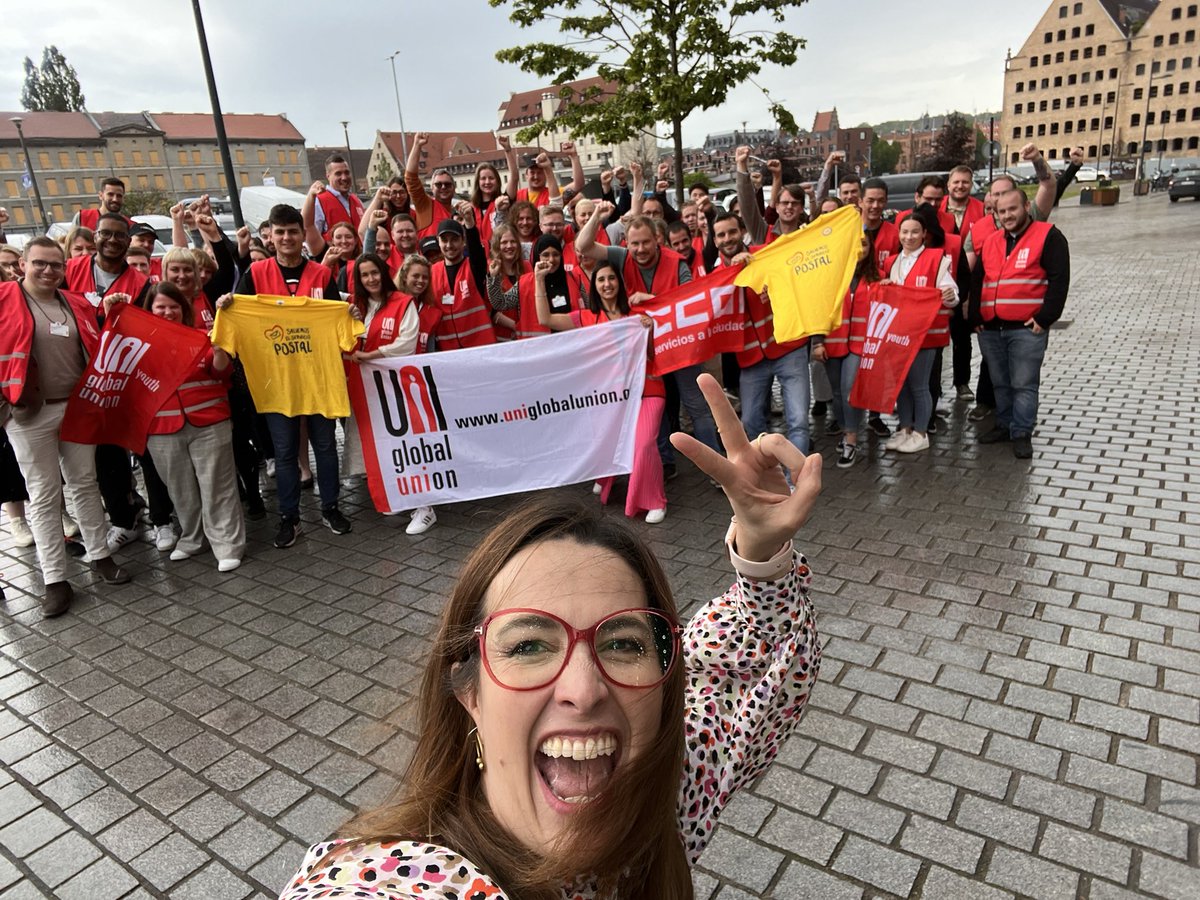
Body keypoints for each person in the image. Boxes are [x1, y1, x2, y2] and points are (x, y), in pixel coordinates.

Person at [278, 375, 822, 900]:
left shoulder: (668, 796)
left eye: (623, 644)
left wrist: (761, 552)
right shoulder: (396, 878)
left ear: (662, 687)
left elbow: (748, 666)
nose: (582, 691)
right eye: (529, 645)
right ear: (469, 692)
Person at [0, 238, 131, 617]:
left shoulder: (74, 302)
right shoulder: (5, 298)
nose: (48, 271)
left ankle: (100, 556)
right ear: (23, 264)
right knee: (43, 496)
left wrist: (108, 313)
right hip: (28, 414)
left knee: (84, 484)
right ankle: (55, 581)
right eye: (40, 263)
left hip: (77, 407)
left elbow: (96, 342)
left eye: (56, 265)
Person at [224, 204, 355, 548]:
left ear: (302, 235)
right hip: (276, 381)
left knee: (325, 447)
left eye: (292, 231)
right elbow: (239, 317)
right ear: (271, 236)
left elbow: (336, 318)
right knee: (284, 454)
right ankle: (290, 517)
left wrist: (348, 312)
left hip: (317, 378)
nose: (286, 238)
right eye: (279, 232)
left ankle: (330, 507)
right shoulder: (256, 273)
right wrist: (228, 305)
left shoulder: (322, 275)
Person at [535, 259, 666, 523]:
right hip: (610, 398)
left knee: (643, 445)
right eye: (601, 280)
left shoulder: (640, 314)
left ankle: (655, 500)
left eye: (611, 278)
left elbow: (662, 337)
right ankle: (605, 474)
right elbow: (545, 318)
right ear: (594, 286)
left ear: (620, 282)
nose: (607, 284)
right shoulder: (585, 318)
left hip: (648, 389)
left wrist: (651, 328)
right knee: (605, 439)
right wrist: (539, 280)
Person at [134, 282, 246, 571]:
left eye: (174, 306)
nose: (168, 312)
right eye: (161, 306)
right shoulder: (136, 343)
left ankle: (227, 544)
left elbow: (221, 373)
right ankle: (192, 538)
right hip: (160, 428)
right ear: (150, 309)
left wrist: (221, 350)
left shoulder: (202, 337)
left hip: (210, 422)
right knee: (180, 489)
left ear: (184, 310)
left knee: (218, 487)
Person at [969, 188, 1070, 459]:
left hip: (1026, 327)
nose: (1007, 215)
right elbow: (978, 279)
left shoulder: (1048, 236)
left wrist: (1046, 318)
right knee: (1000, 382)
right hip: (991, 327)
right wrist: (976, 317)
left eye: (1012, 209)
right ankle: (1004, 424)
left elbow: (1059, 281)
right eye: (1001, 211)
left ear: (1026, 206)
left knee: (1024, 384)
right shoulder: (991, 241)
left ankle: (1022, 432)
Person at [879, 205, 959, 454]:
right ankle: (904, 428)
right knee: (901, 384)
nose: (909, 237)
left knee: (919, 385)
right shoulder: (892, 262)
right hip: (898, 335)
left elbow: (952, 296)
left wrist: (949, 295)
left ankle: (921, 432)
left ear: (924, 233)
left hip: (926, 336)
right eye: (904, 232)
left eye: (915, 232)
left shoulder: (938, 260)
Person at [813, 233, 879, 469]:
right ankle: (844, 430)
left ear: (871, 247)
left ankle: (851, 438)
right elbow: (818, 309)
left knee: (849, 389)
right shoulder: (831, 275)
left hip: (861, 345)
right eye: (854, 242)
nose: (859, 248)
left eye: (864, 243)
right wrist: (817, 342)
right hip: (833, 342)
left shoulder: (877, 277)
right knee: (837, 393)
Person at [427, 204, 496, 351]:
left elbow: (476, 251)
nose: (449, 245)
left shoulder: (474, 267)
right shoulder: (432, 272)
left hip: (480, 347)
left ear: (463, 241)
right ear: (438, 242)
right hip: (449, 353)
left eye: (454, 239)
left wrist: (470, 224)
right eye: (444, 240)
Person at [312, 154, 364, 242]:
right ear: (328, 176)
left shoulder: (356, 200)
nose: (344, 177)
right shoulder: (319, 201)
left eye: (347, 172)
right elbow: (313, 238)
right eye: (338, 173)